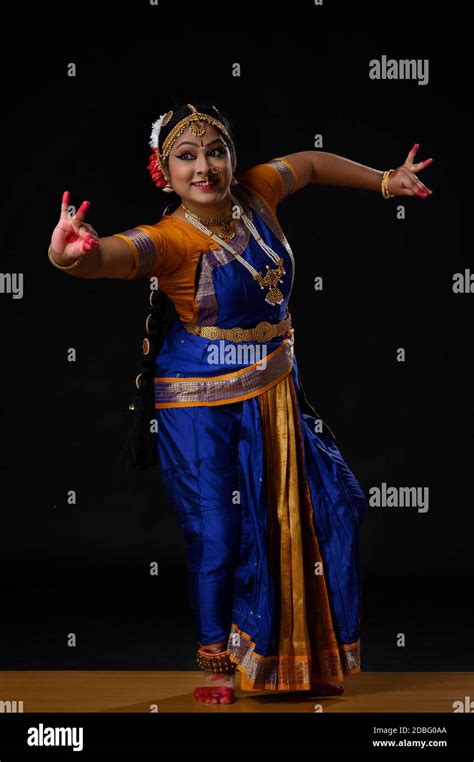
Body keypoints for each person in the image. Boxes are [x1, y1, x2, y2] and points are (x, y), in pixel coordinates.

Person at [48, 103, 433, 705]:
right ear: (163, 170)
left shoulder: (255, 191)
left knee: (324, 506)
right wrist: (70, 256)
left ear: (231, 156)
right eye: (187, 156)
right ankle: (217, 662)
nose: (205, 167)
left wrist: (385, 180)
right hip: (198, 401)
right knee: (222, 529)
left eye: (215, 151)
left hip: (275, 382)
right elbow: (112, 256)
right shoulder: (171, 238)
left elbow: (307, 164)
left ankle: (297, 657)